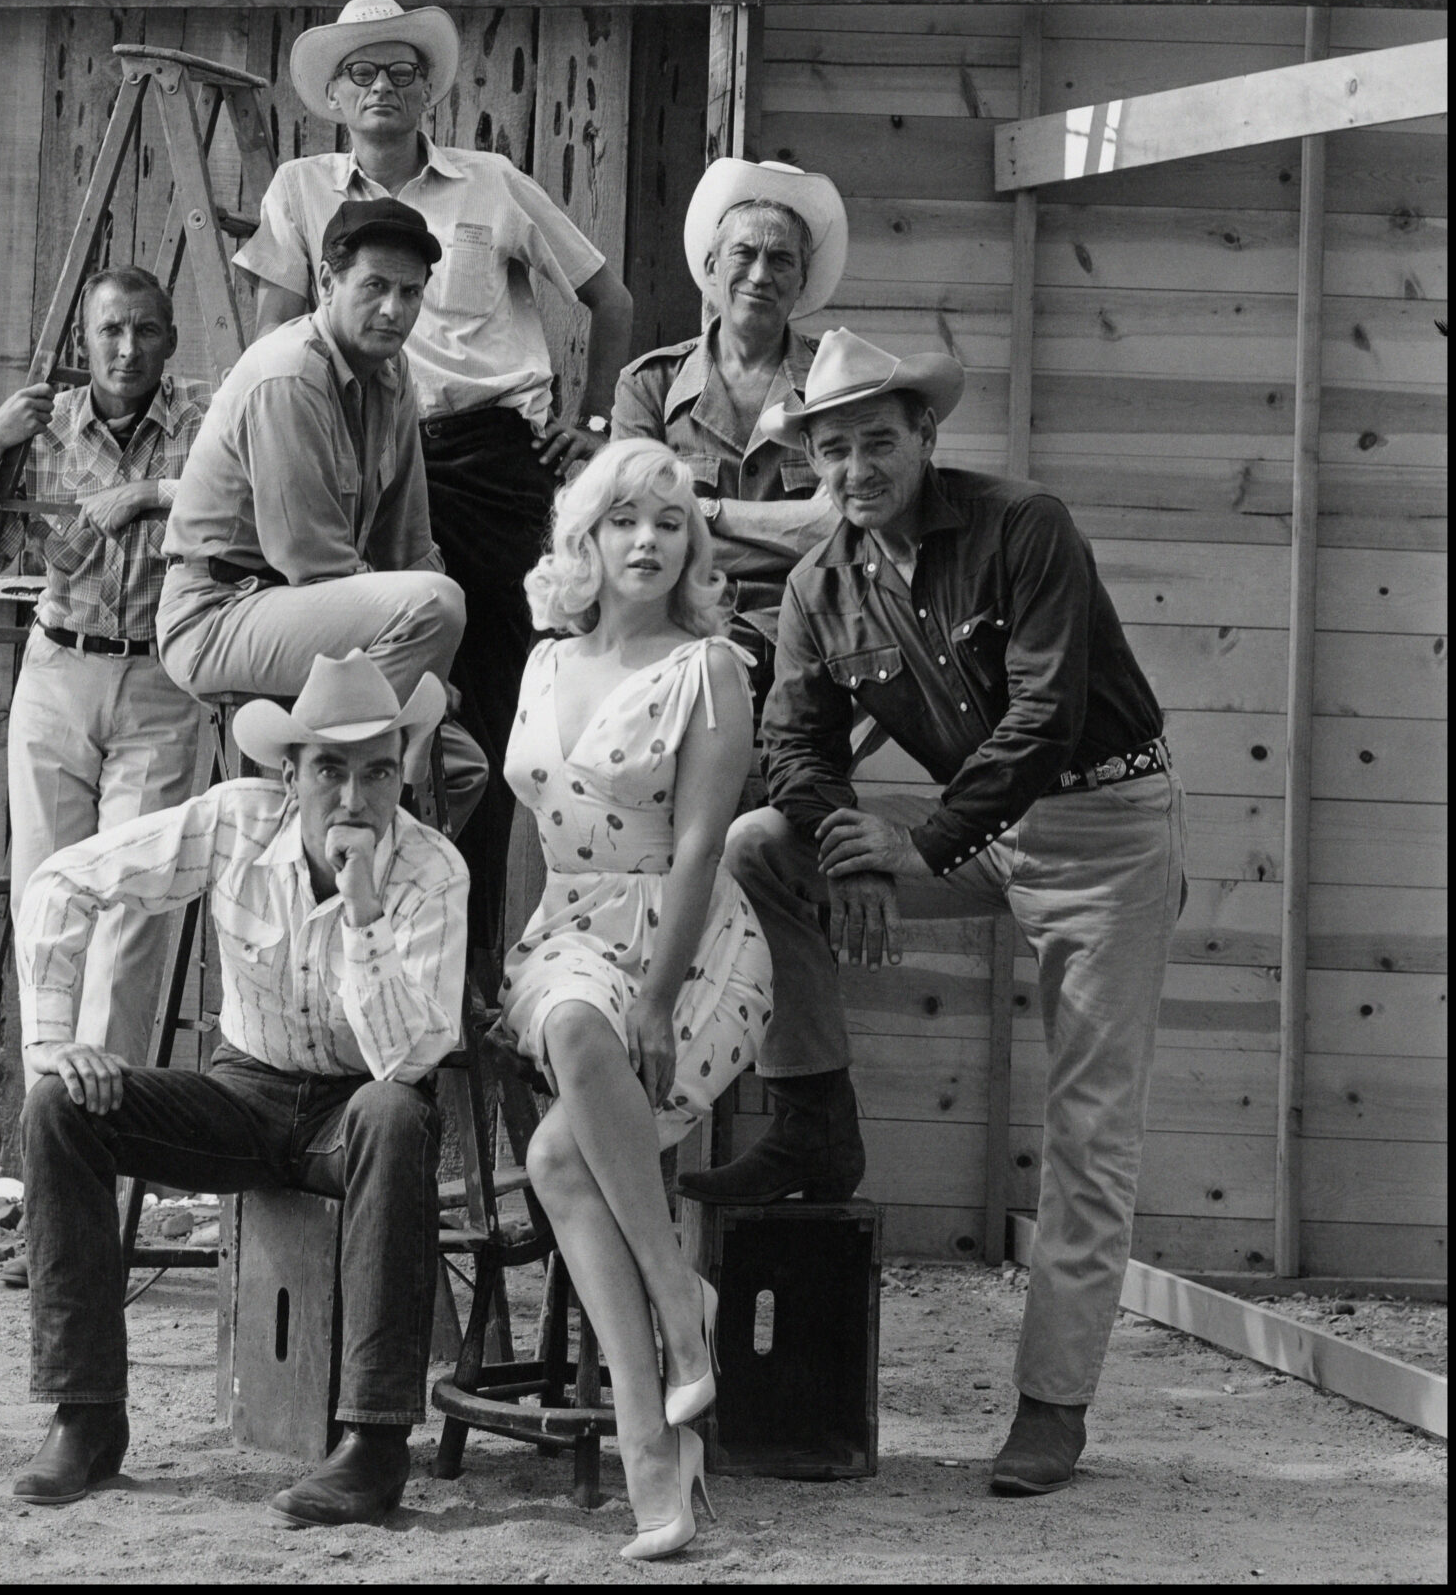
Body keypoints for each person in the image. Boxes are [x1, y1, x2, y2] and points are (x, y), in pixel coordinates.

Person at [711, 328, 1187, 1496]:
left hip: (1105, 829)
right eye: (834, 450)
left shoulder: (1026, 525)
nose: (858, 467)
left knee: (1087, 1126)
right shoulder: (821, 585)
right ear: (810, 463)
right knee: (763, 845)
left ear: (928, 436)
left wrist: (914, 840)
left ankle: (1051, 1407)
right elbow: (792, 747)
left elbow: (1046, 720)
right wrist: (858, 860)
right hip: (979, 838)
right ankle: (815, 1113)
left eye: (880, 439)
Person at [10, 651, 468, 1528]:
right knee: (59, 1108)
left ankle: (372, 1448)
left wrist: (364, 908)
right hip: (245, 1093)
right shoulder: (232, 822)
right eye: (330, 769)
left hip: (357, 1110)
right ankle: (88, 1416)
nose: (354, 797)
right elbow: (62, 883)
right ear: (287, 774)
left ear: (401, 771)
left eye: (378, 771)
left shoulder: (434, 871)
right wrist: (55, 1043)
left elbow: (407, 1060)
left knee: (395, 1114)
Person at [235, 0, 637, 972]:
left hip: (485, 460)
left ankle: (465, 984)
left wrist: (589, 429)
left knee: (492, 713)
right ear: (334, 94)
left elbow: (608, 299)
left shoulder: (491, 184)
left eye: (403, 72)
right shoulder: (300, 190)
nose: (383, 89)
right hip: (357, 456)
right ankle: (351, 962)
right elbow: (269, 341)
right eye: (362, 73)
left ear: (431, 90)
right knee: (357, 706)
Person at [499, 439, 770, 1560]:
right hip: (565, 939)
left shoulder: (711, 668)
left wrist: (658, 999)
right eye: (625, 521)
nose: (648, 540)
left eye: (670, 522)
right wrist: (504, 962)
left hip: (690, 945)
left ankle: (652, 1455)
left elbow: (706, 839)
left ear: (692, 546)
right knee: (565, 1014)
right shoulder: (543, 664)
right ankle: (678, 1300)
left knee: (562, 1162)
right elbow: (527, 815)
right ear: (589, 540)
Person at [0, 264, 211, 1091]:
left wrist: (149, 493)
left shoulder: (201, 417)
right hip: (58, 668)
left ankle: (107, 1117)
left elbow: (257, 497)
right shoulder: (41, 430)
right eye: (109, 332)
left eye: (145, 330)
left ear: (170, 340)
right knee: (47, 893)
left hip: (159, 679)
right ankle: (53, 1101)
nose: (127, 349)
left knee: (134, 902)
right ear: (82, 344)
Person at [157, 195, 484, 830]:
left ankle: (368, 880)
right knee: (434, 605)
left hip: (307, 616)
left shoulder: (393, 373)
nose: (394, 309)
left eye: (411, 293)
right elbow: (314, 567)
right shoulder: (288, 374)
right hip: (219, 614)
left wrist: (433, 675)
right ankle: (323, 797)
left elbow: (409, 543)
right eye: (376, 286)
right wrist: (422, 678)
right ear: (328, 282)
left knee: (463, 765)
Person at [612, 158, 849, 707]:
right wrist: (785, 537)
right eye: (745, 254)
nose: (761, 275)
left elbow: (834, 531)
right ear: (713, 265)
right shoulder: (649, 385)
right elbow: (630, 533)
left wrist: (703, 517)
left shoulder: (838, 382)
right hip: (676, 629)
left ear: (802, 280)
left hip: (810, 635)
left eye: (782, 259)